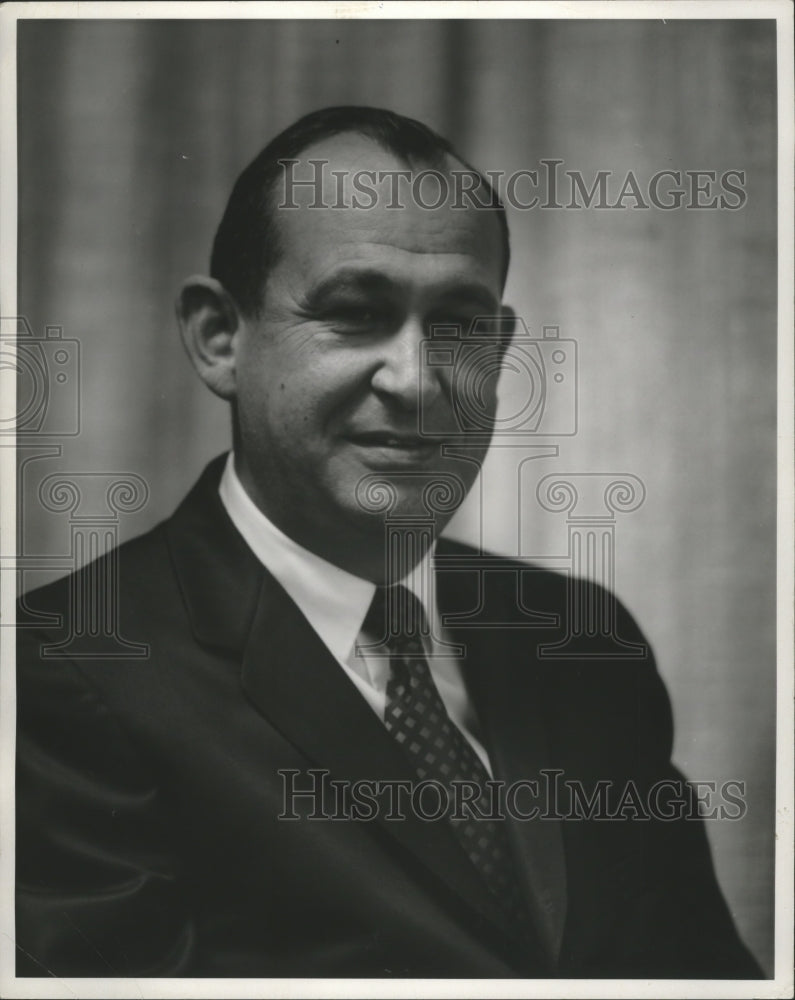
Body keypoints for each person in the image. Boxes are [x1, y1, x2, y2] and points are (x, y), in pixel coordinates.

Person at [15, 106, 761, 979]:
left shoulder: (580, 636)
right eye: (354, 313)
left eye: (458, 326)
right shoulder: (73, 669)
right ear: (220, 338)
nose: (416, 380)